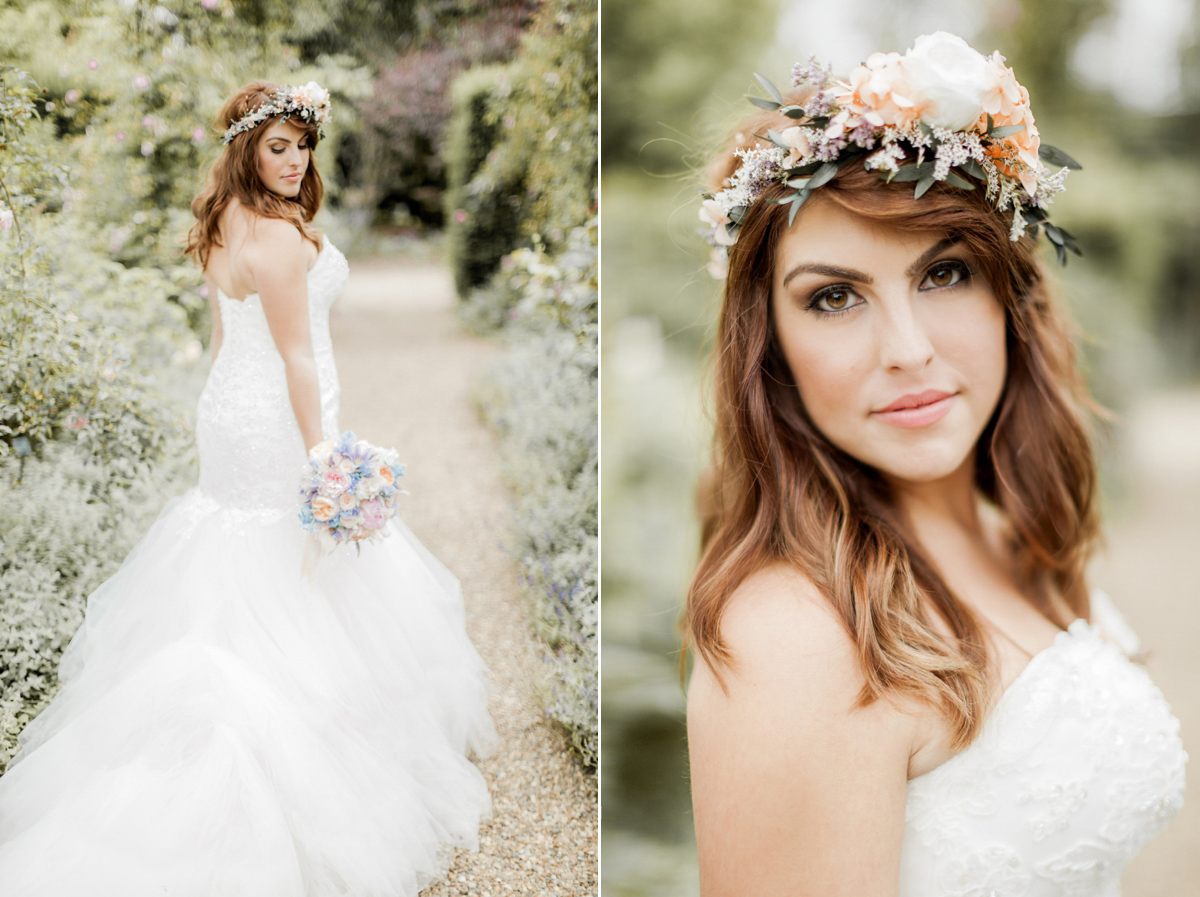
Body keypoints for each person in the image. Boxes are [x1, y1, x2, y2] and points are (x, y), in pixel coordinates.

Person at [684, 33, 1186, 895]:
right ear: (769, 349)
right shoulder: (795, 639)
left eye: (944, 273)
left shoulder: (1014, 535)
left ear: (1008, 297)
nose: (908, 350)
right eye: (834, 297)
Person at [0, 81, 495, 894]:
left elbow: (228, 332)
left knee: (231, 541)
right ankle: (271, 747)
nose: (297, 160)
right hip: (276, 414)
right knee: (292, 551)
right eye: (279, 147)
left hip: (230, 405)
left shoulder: (224, 220)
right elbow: (299, 357)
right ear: (246, 151)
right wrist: (323, 462)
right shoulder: (272, 236)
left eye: (303, 145)